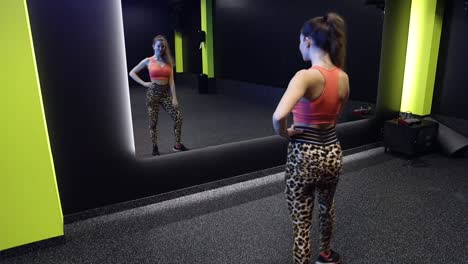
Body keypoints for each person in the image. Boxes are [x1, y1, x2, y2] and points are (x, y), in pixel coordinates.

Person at [272, 12, 349, 264]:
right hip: (332, 154)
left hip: (304, 157)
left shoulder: (305, 76)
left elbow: (278, 116)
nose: (298, 46)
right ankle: (326, 254)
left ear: (307, 41)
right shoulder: (343, 77)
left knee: (302, 221)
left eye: (299, 41)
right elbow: (335, 117)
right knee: (327, 207)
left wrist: (286, 133)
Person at [129, 35, 189, 156]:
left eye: (163, 46)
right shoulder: (148, 61)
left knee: (178, 118)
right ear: (153, 47)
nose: (161, 48)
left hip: (165, 94)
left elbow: (171, 81)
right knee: (153, 123)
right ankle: (155, 147)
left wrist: (174, 98)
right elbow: (132, 72)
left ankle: (177, 145)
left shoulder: (169, 62)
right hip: (153, 94)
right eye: (158, 46)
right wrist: (144, 83)